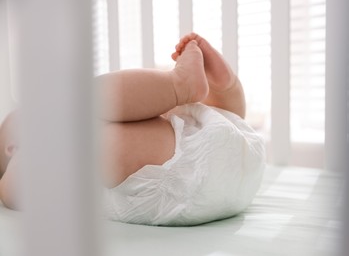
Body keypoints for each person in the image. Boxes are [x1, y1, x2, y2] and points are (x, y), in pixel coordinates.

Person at [0, 33, 265, 226]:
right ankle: (212, 90)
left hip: (206, 165)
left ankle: (207, 93)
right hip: (243, 172)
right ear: (13, 146)